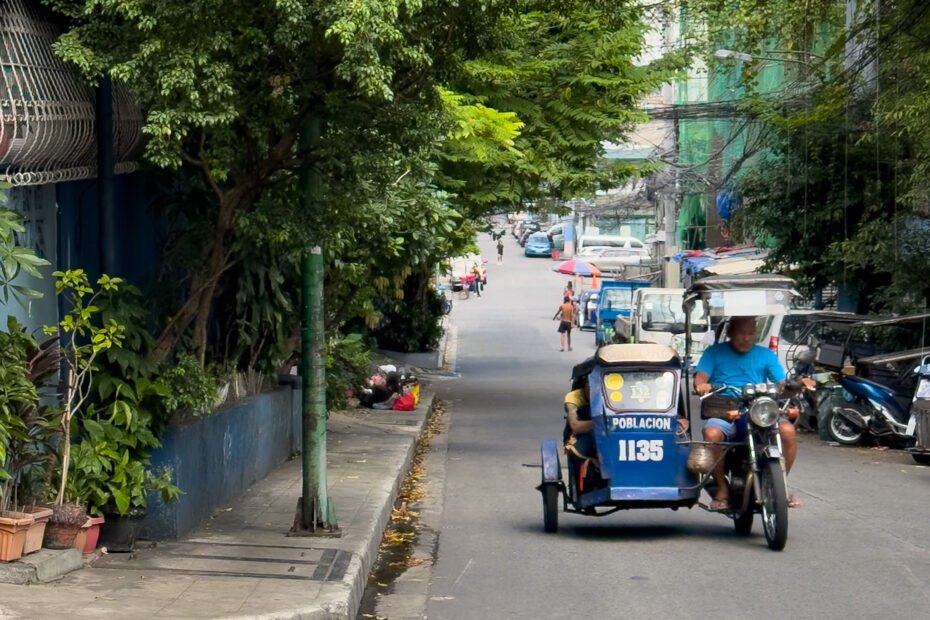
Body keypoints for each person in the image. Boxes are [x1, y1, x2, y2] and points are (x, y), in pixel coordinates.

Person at [693, 316, 801, 510]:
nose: (747, 338)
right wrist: (701, 385)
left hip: (758, 407)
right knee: (712, 434)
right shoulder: (714, 353)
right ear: (731, 333)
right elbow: (701, 376)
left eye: (751, 333)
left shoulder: (766, 355)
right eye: (742, 333)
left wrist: (796, 385)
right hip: (726, 408)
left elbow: (780, 381)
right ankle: (722, 487)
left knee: (788, 432)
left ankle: (780, 485)